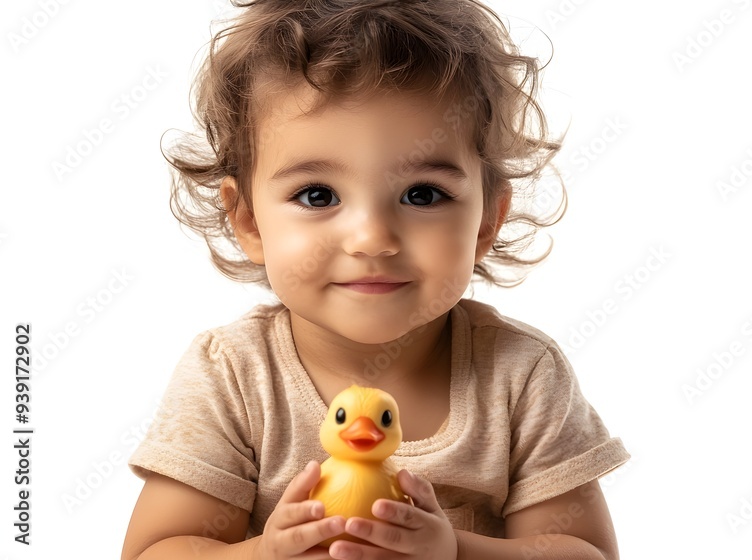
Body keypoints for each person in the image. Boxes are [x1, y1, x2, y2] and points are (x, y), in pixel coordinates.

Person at [122, 1, 629, 559]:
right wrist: (264, 553)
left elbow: (586, 553)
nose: (371, 238)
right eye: (318, 195)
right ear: (248, 221)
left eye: (423, 194)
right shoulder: (233, 377)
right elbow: (155, 552)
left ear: (486, 220)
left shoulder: (521, 375)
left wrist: (456, 551)